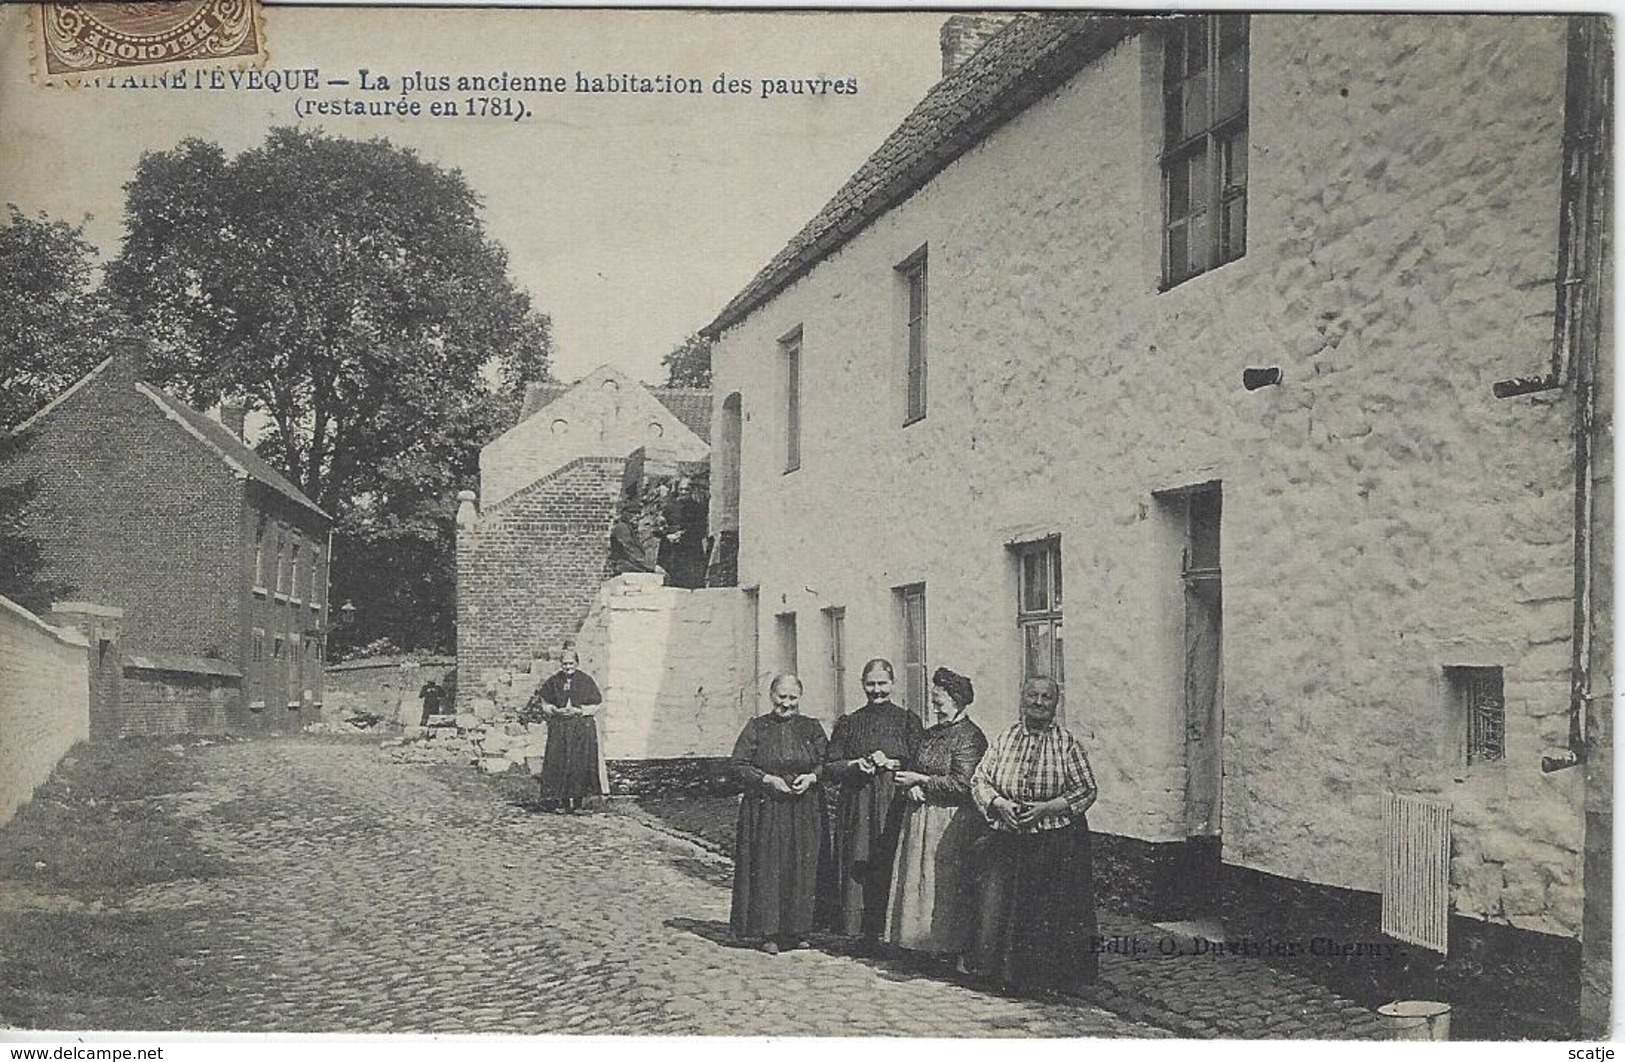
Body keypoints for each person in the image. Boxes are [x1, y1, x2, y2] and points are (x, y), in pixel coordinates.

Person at [965, 675, 1099, 994]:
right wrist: (999, 804)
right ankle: (998, 975)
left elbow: (1087, 790)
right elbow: (979, 780)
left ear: (1056, 704)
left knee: (1043, 912)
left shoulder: (1067, 744)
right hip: (1006, 836)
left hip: (1051, 840)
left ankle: (1042, 980)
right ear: (1022, 699)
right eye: (1032, 696)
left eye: (1046, 698)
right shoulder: (1005, 738)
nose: (1038, 703)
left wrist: (1047, 808)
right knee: (998, 907)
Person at [883, 667, 988, 958]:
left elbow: (964, 784)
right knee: (918, 882)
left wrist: (922, 782)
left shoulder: (970, 737)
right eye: (934, 702)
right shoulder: (931, 734)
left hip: (951, 822)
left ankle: (947, 948)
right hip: (920, 818)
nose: (936, 708)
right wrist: (911, 787)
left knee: (943, 883)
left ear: (957, 701)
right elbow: (914, 767)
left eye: (940, 703)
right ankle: (918, 945)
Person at [823, 658, 924, 944]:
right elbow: (831, 765)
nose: (876, 690)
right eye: (871, 684)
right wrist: (856, 764)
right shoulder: (850, 722)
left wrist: (892, 762)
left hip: (892, 802)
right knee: (858, 857)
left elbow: (918, 760)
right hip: (858, 802)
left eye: (882, 684)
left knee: (888, 859)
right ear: (862, 685)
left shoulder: (907, 721)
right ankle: (857, 930)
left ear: (892, 684)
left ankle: (889, 931)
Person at [729, 673, 827, 955]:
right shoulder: (757, 728)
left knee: (801, 866)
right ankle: (768, 932)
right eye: (781, 697)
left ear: (800, 697)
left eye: (792, 698)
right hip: (767, 809)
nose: (786, 703)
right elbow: (738, 765)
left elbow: (827, 761)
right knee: (770, 867)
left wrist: (811, 777)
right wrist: (767, 779)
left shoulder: (811, 728)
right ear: (771, 696)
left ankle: (798, 930)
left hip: (803, 807)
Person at [527, 649, 605, 813]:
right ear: (560, 665)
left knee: (579, 764)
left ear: (577, 664)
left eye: (571, 663)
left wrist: (580, 711)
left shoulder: (586, 681)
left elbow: (597, 704)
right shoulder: (554, 681)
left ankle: (578, 803)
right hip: (560, 728)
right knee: (559, 762)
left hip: (581, 729)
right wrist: (554, 710)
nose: (568, 667)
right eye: (565, 664)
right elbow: (545, 703)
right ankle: (561, 802)